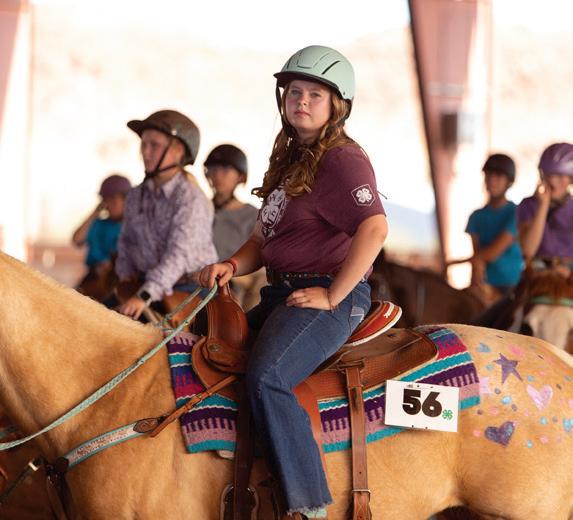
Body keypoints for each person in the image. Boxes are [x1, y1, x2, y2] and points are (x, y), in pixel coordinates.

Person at [194, 46, 388, 519]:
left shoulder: (342, 160)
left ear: (337, 105)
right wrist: (232, 265)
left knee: (269, 376)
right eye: (294, 91)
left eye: (314, 94)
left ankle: (309, 504)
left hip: (328, 293)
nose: (301, 100)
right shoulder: (290, 159)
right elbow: (262, 239)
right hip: (281, 291)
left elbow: (375, 228)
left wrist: (333, 294)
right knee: (205, 348)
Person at [116, 109, 218, 320]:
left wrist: (144, 295)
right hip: (146, 283)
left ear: (179, 150)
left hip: (190, 288)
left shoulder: (191, 199)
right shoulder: (136, 195)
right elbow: (126, 241)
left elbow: (179, 255)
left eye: (154, 145)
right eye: (143, 144)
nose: (146, 152)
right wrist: (126, 276)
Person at [203, 144, 263, 309]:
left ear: (240, 176)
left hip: (234, 284)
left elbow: (258, 263)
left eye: (225, 169)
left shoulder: (253, 216)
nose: (217, 174)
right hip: (198, 280)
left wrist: (230, 276)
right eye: (213, 168)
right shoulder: (199, 209)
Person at [465, 153, 523, 296]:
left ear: (509, 181)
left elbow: (491, 253)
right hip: (483, 286)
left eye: (498, 176)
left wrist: (455, 262)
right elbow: (477, 255)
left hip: (512, 287)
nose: (491, 180)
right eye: (488, 175)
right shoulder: (476, 217)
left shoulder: (517, 213)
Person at [72, 174, 131, 301]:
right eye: (106, 200)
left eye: (114, 201)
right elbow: (77, 240)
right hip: (94, 278)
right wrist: (95, 213)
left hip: (120, 280)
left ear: (127, 200)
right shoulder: (98, 224)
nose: (110, 205)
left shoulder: (133, 227)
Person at [517, 142, 573, 271]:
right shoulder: (528, 205)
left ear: (571, 179)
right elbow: (528, 251)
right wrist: (543, 205)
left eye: (560, 176)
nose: (553, 181)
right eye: (549, 175)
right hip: (538, 274)